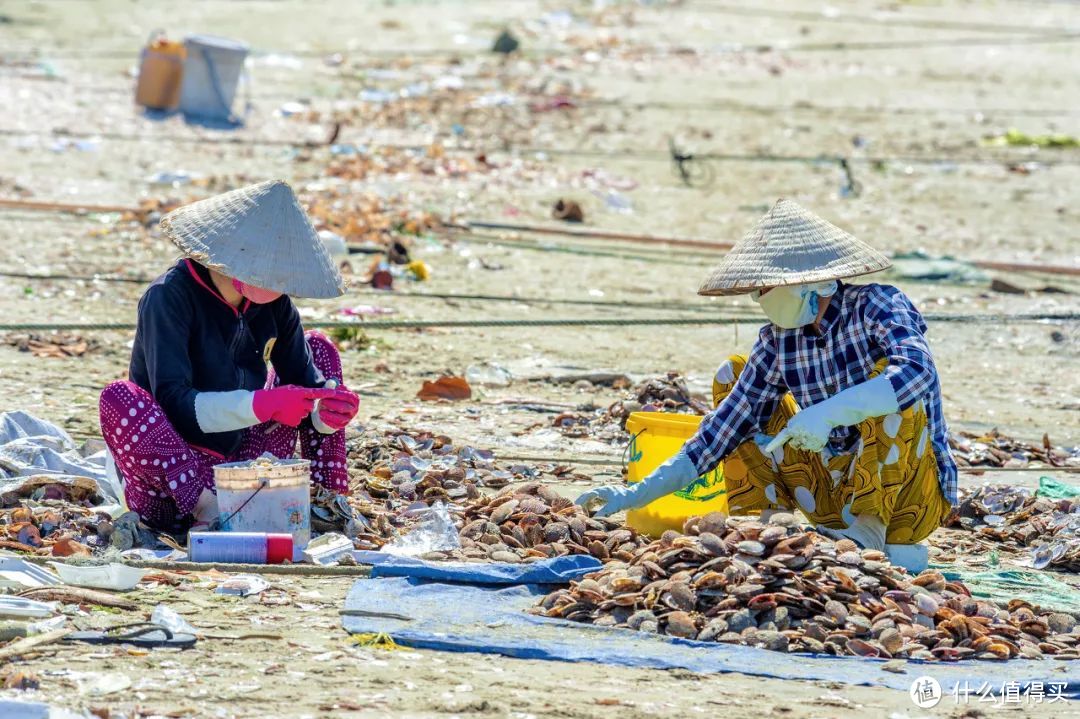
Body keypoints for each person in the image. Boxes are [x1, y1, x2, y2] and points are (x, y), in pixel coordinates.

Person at [576, 199, 957, 572]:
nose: (761, 296)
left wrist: (828, 412)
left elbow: (915, 373)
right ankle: (768, 527)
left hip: (909, 498)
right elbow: (720, 432)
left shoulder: (880, 304)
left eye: (770, 286)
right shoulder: (778, 340)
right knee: (733, 377)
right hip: (826, 494)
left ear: (819, 282)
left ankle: (870, 531)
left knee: (891, 387)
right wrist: (633, 494)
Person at [99, 180, 360, 530]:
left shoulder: (276, 305)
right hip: (178, 481)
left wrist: (327, 411)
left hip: (250, 470)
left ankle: (327, 501)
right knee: (119, 398)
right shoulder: (168, 298)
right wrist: (262, 404)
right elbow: (173, 402)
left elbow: (306, 389)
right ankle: (207, 509)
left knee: (319, 347)